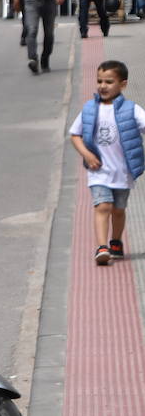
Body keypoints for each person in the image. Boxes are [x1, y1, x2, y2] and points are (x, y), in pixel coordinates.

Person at [69, 60, 144, 265]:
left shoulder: (132, 109)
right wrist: (86, 154)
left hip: (123, 172)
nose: (103, 86)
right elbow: (75, 135)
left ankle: (116, 241)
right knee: (103, 206)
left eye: (109, 81)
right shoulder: (90, 109)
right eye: (100, 81)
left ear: (123, 84)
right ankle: (102, 247)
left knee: (118, 210)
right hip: (98, 171)